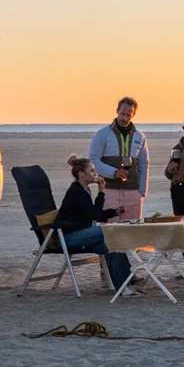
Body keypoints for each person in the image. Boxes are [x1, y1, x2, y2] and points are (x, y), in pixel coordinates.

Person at [53, 158, 136, 295]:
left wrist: (113, 212)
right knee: (111, 231)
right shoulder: (77, 192)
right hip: (68, 237)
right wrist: (102, 192)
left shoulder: (84, 190)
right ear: (81, 174)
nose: (95, 173)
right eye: (91, 170)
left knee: (114, 244)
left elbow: (93, 214)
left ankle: (124, 286)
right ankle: (124, 284)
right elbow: (95, 215)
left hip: (83, 234)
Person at [89, 97, 150, 218]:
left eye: (128, 115)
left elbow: (144, 164)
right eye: (122, 113)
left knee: (133, 232)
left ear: (133, 115)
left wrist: (142, 191)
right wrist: (114, 173)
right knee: (110, 232)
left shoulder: (140, 137)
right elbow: (93, 161)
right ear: (117, 111)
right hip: (110, 191)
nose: (125, 118)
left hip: (133, 192)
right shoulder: (102, 134)